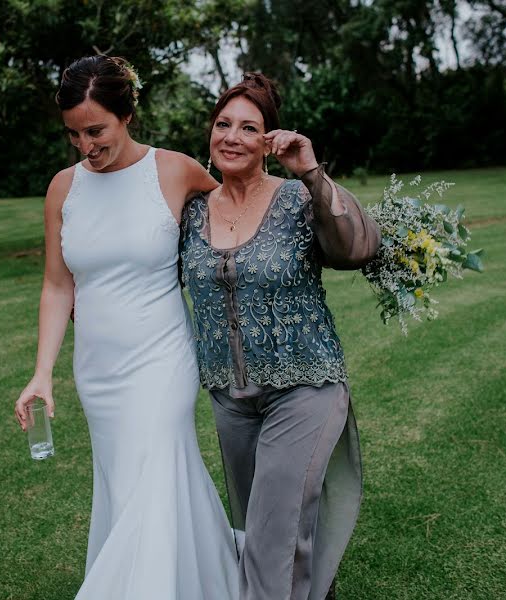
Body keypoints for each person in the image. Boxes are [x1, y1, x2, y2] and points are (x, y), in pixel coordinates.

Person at [13, 55, 239, 599]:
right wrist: (42, 373)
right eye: (73, 134)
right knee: (133, 490)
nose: (85, 146)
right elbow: (57, 285)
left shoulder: (175, 170)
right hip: (98, 372)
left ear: (127, 114)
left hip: (163, 361)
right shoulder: (63, 189)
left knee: (156, 476)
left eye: (96, 131)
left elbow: (240, 209)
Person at [179, 73, 382, 600]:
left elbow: (354, 249)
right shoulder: (194, 209)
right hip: (230, 399)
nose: (231, 137)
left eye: (249, 127)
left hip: (304, 387)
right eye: (223, 124)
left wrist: (312, 173)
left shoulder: (296, 198)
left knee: (273, 540)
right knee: (266, 531)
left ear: (269, 140)